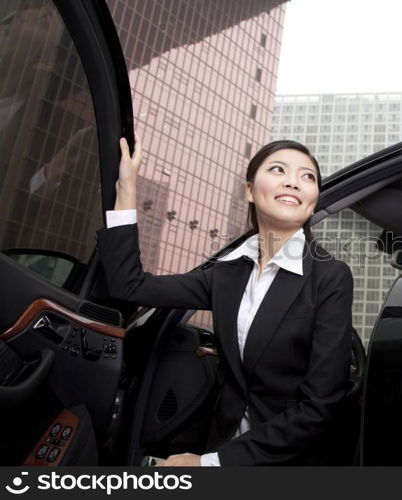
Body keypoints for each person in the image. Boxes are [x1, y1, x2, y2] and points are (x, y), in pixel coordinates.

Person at [96, 135, 354, 466]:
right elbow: (129, 286)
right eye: (278, 169)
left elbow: (320, 406)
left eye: (308, 177)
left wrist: (209, 464)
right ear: (249, 190)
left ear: (313, 198)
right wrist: (126, 189)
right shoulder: (227, 274)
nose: (294, 182)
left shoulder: (330, 277)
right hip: (219, 438)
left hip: (285, 459)